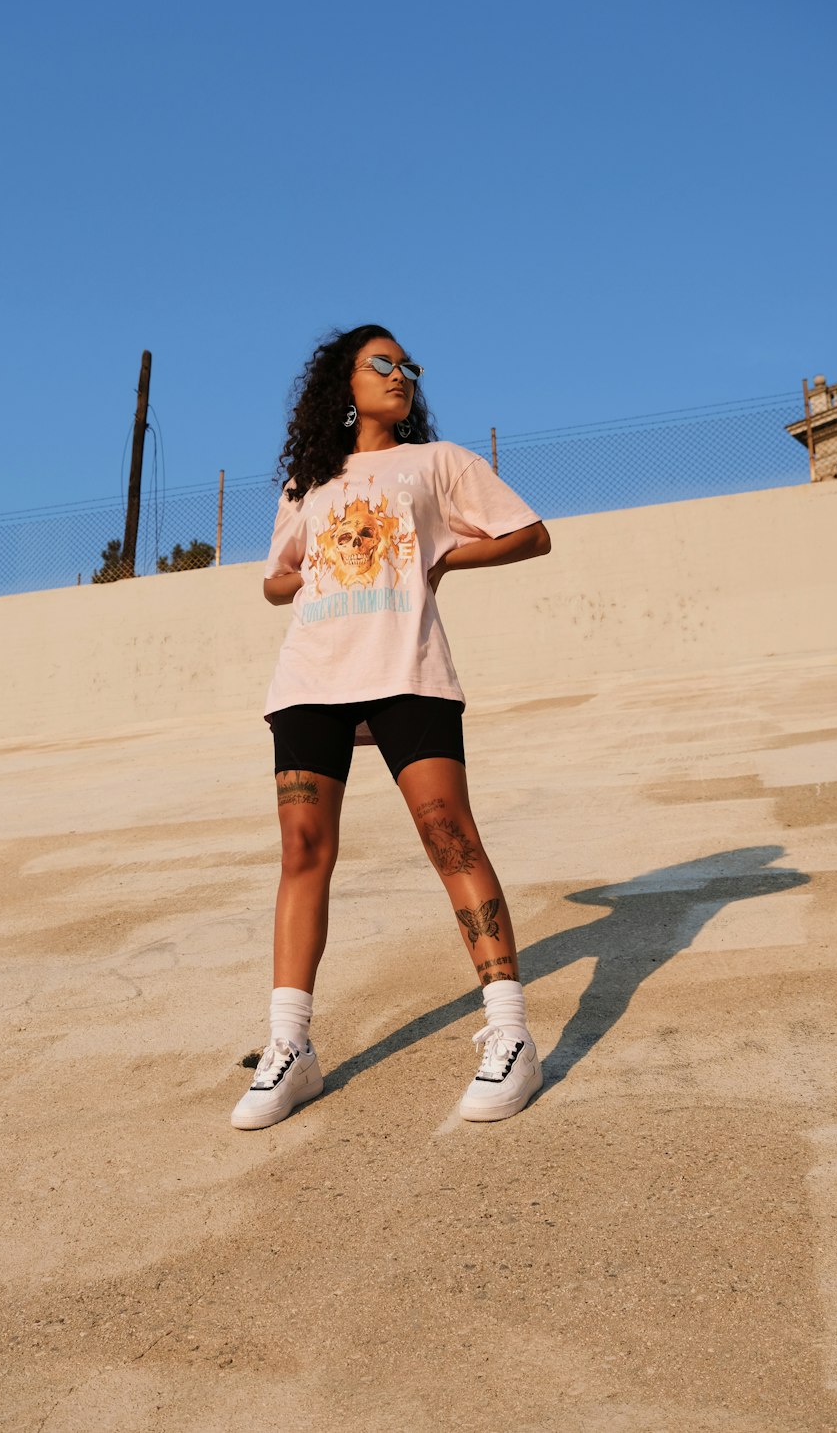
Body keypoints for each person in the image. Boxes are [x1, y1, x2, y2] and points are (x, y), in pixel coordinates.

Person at [231, 324, 552, 1130]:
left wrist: (441, 560)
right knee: (304, 851)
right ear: (344, 383)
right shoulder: (309, 479)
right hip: (310, 677)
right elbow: (276, 582)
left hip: (406, 668)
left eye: (409, 366)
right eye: (383, 363)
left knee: (449, 833)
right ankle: (290, 1048)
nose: (401, 374)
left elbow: (530, 533)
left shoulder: (438, 463)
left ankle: (511, 1033)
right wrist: (297, 575)